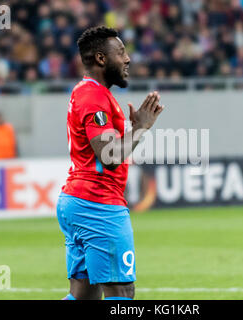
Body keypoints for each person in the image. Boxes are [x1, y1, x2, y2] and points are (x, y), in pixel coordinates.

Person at [57, 26, 164, 301]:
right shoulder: (93, 97)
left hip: (79, 201)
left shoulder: (89, 93)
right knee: (122, 293)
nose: (128, 59)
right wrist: (140, 128)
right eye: (121, 52)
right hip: (98, 205)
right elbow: (109, 155)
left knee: (84, 297)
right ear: (101, 59)